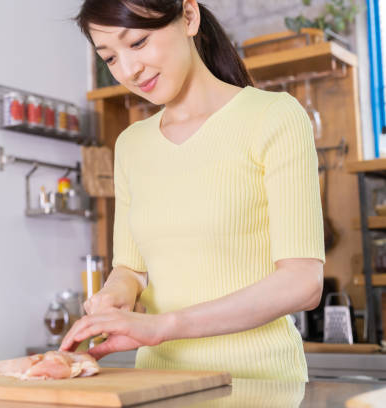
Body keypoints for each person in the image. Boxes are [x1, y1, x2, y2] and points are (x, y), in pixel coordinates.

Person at [59, 0, 325, 382]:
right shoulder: (132, 144)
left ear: (188, 16)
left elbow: (303, 283)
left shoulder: (274, 117)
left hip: (260, 384)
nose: (129, 70)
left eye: (137, 42)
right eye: (110, 58)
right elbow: (130, 267)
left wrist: (164, 326)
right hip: (156, 386)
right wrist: (117, 293)